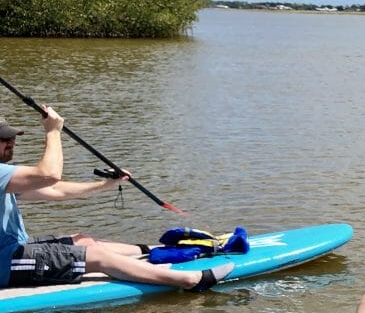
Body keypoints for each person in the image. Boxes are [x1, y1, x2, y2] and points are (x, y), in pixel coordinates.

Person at [0, 109, 232, 291]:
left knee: (84, 241)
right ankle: (190, 280)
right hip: (4, 264)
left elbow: (55, 190)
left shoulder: (6, 175)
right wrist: (53, 131)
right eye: (3, 138)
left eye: (11, 136)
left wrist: (108, 184)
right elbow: (49, 174)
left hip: (11, 249)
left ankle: (160, 251)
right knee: (97, 257)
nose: (11, 141)